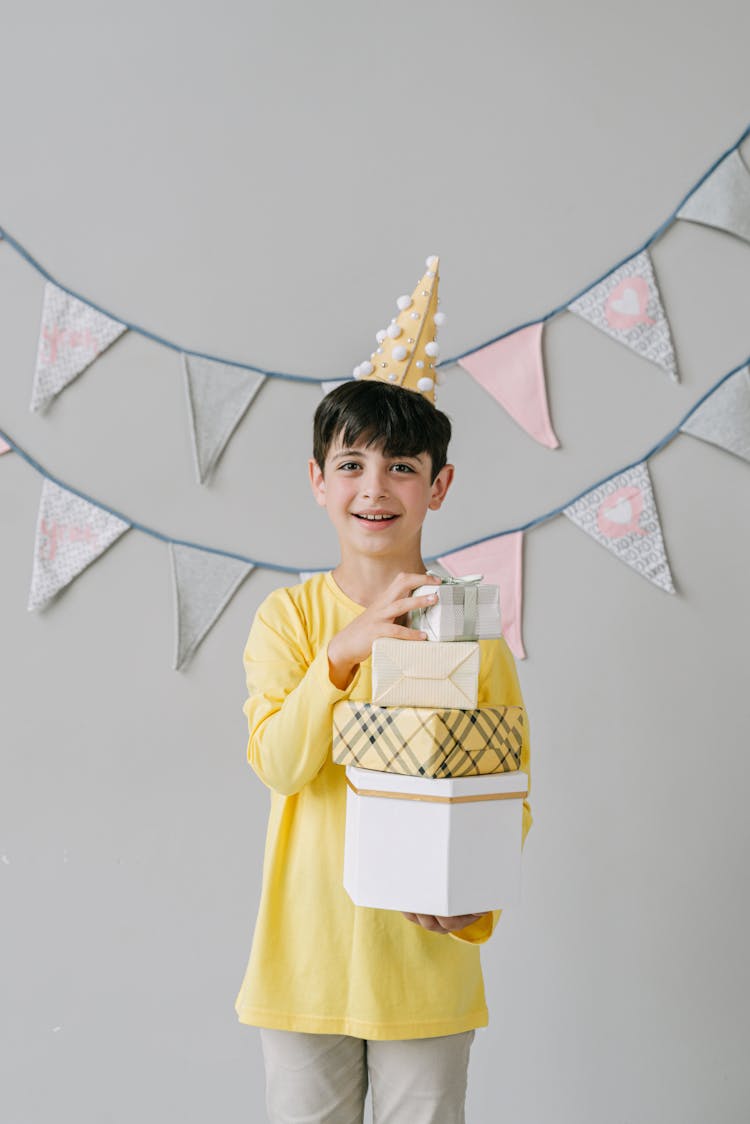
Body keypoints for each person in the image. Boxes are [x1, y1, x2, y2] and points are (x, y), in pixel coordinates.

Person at [234, 260, 532, 1124]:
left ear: (437, 486)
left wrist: (477, 905)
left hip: (424, 967)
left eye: (402, 466)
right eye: (352, 464)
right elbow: (282, 767)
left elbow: (508, 787)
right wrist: (343, 654)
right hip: (304, 963)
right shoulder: (287, 620)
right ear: (318, 482)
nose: (375, 488)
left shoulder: (471, 625)